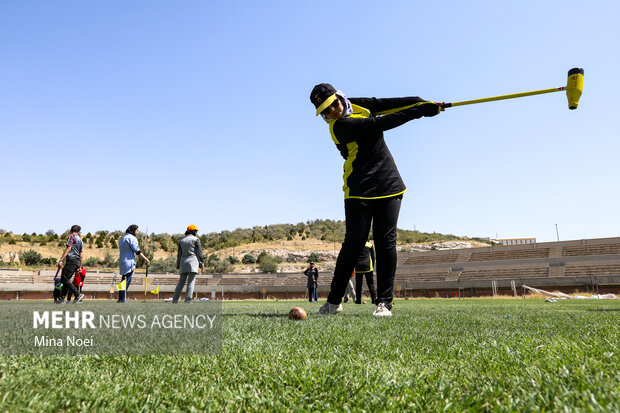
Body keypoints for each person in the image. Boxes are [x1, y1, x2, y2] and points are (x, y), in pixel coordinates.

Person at [310, 83, 442, 316]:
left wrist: (422, 101)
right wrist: (419, 111)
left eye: (333, 105)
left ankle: (385, 302)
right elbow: (377, 123)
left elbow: (384, 104)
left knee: (386, 242)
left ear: (340, 96)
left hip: (389, 183)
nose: (332, 112)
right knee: (353, 244)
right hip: (358, 188)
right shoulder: (339, 127)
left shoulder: (357, 103)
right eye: (325, 112)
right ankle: (333, 302)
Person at [118, 224, 150, 303]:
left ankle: (121, 297)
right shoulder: (132, 238)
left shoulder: (122, 239)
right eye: (137, 230)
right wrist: (146, 259)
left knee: (123, 280)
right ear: (133, 230)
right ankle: (122, 298)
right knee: (127, 280)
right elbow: (137, 251)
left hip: (122, 261)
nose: (138, 232)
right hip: (129, 261)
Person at [173, 225, 204, 303]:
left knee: (181, 283)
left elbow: (179, 253)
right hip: (193, 261)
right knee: (191, 282)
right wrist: (201, 263)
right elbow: (199, 253)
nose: (196, 232)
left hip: (183, 262)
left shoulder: (181, 240)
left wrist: (178, 264)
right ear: (193, 231)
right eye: (196, 231)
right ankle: (188, 300)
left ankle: (175, 300)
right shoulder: (196, 239)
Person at [56, 225, 85, 304]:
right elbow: (81, 254)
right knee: (66, 279)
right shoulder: (80, 240)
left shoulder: (71, 236)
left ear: (70, 230)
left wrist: (61, 259)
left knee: (64, 279)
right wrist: (80, 266)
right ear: (79, 232)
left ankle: (77, 294)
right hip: (77, 261)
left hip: (71, 260)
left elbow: (69, 248)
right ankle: (61, 299)